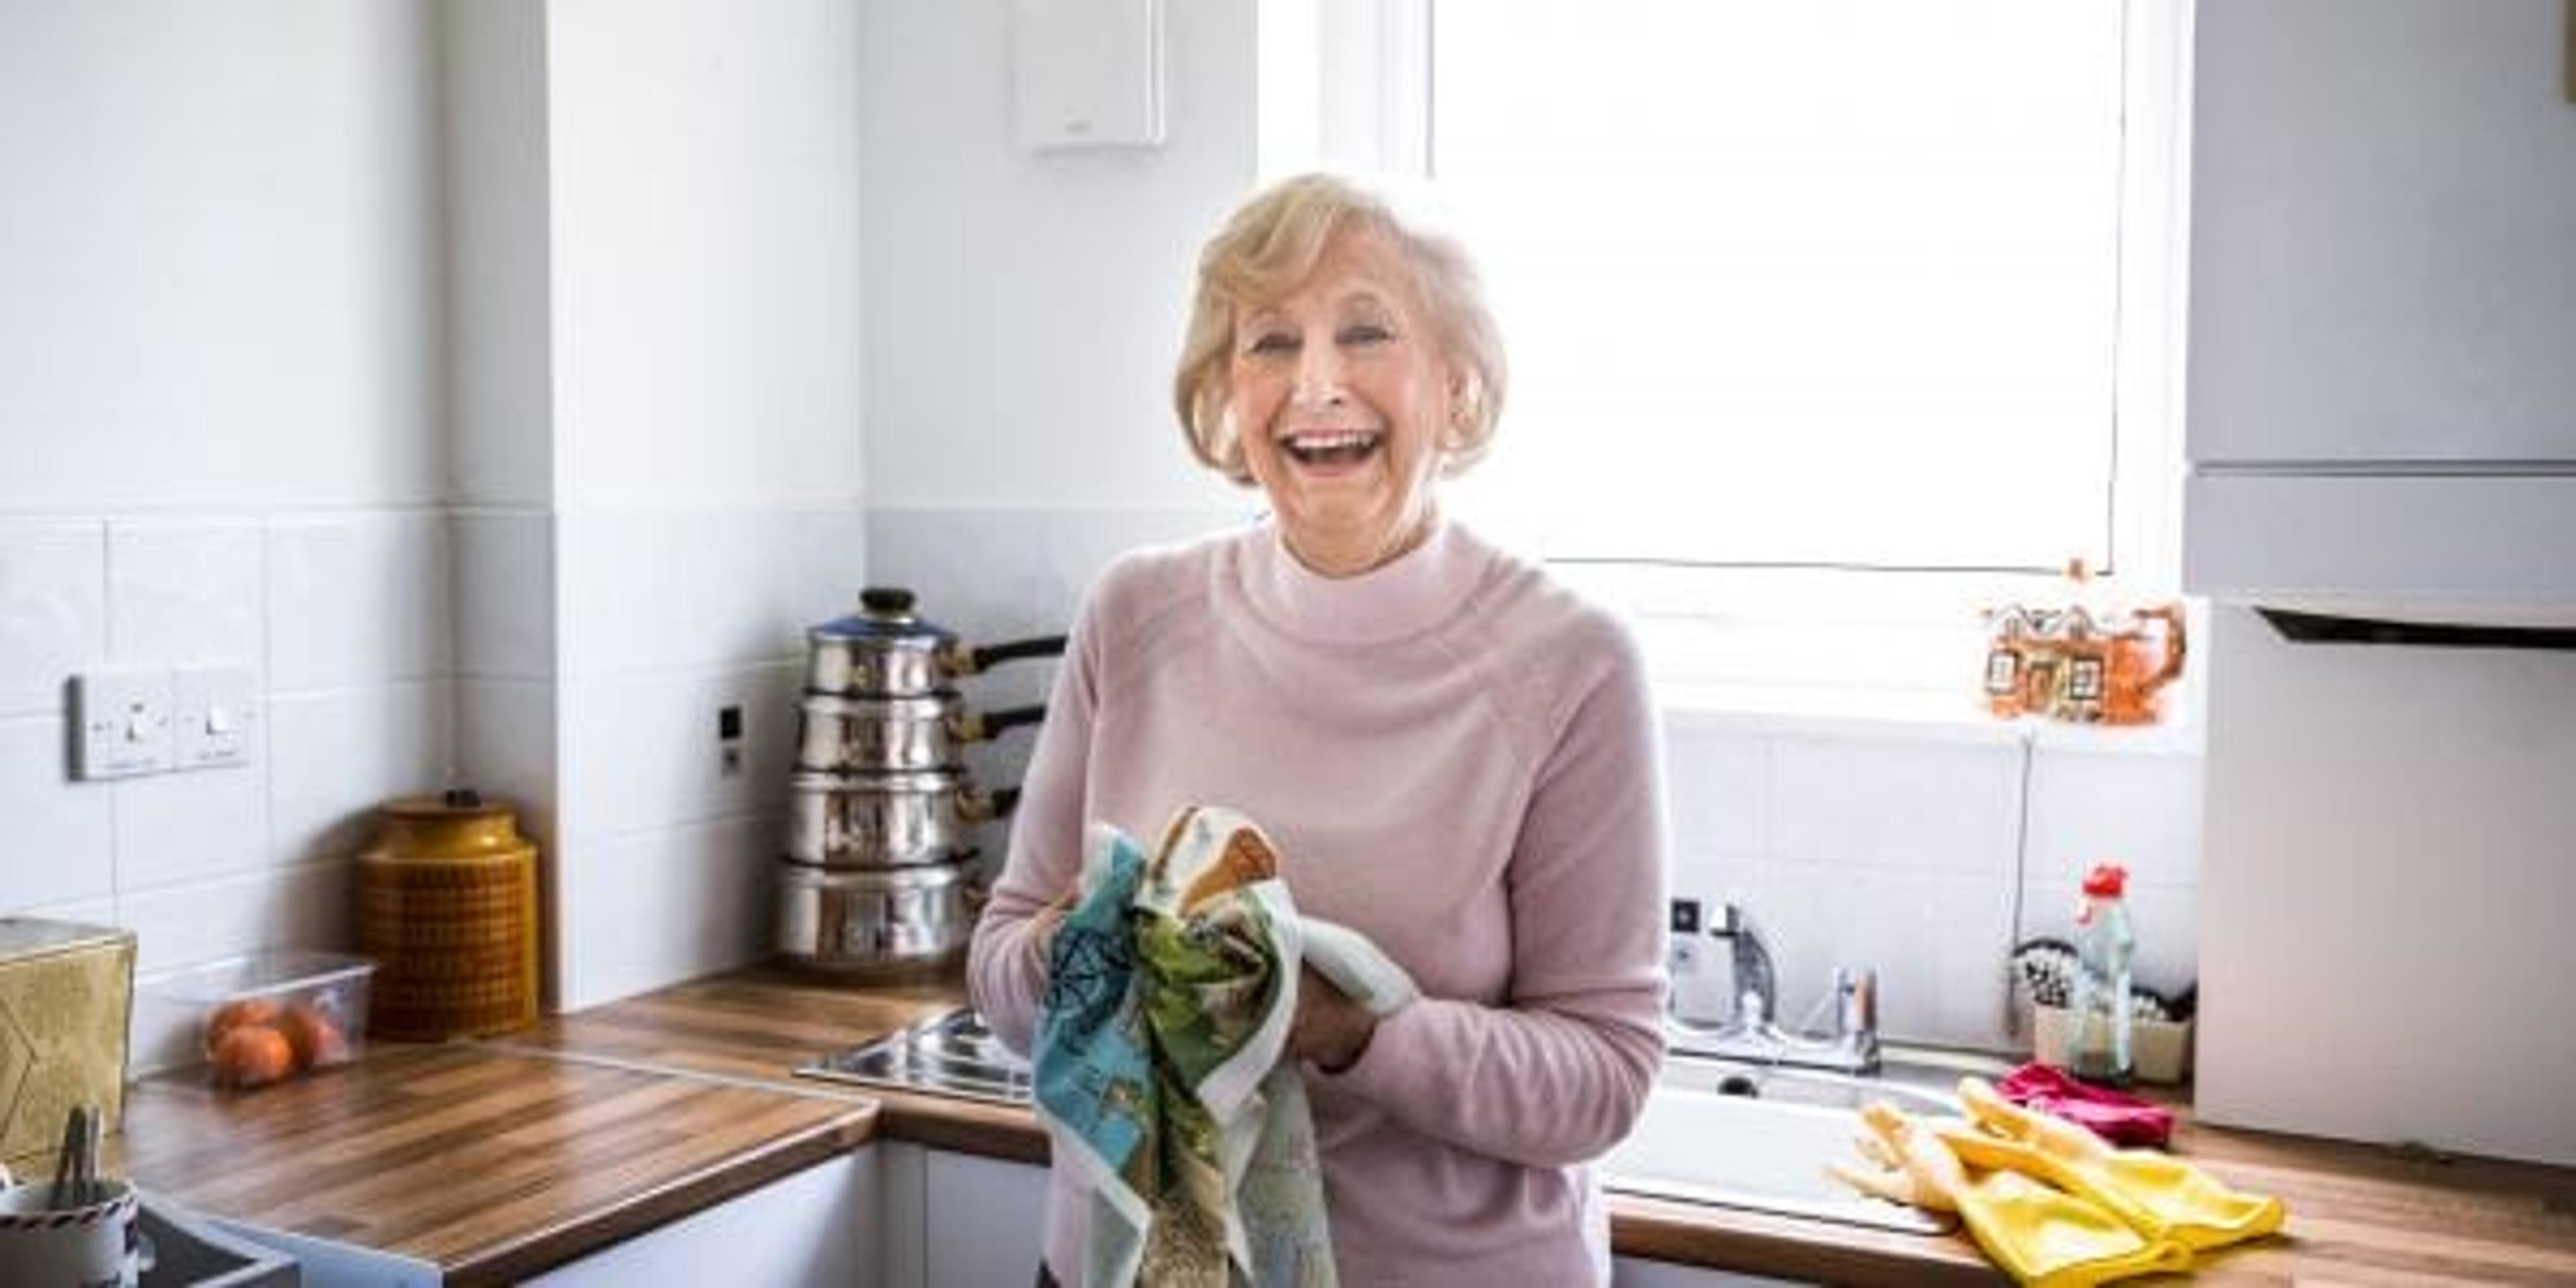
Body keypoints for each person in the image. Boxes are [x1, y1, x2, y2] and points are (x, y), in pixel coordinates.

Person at [968, 171, 1669, 1285]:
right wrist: (1084, 945)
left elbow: (1605, 1076)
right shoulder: (1135, 614)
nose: (1318, 386)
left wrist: (1348, 1031)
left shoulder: (1568, 663)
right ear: (1224, 392)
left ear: (1458, 381)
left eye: (1367, 332)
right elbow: (1002, 975)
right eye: (1272, 343)